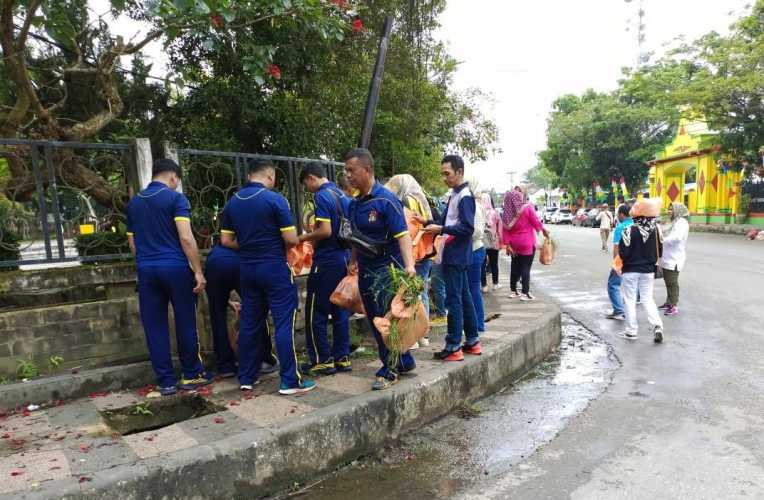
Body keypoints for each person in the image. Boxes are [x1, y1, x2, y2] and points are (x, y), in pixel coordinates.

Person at [220, 159, 316, 395]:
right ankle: (289, 381)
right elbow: (291, 240)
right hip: (274, 268)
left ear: (250, 175)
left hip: (247, 270)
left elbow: (226, 241)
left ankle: (246, 377)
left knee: (251, 323)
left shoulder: (233, 203)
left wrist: (250, 246)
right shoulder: (275, 200)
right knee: (284, 323)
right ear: (270, 177)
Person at [126, 159, 212, 396]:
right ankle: (192, 375)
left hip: (146, 270)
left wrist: (146, 262)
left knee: (155, 327)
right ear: (173, 177)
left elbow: (132, 243)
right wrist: (197, 270)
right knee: (186, 321)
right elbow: (186, 238)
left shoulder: (134, 204)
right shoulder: (176, 199)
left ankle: (165, 381)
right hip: (175, 269)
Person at [344, 148, 418, 390]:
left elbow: (403, 235)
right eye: (346, 171)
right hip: (365, 270)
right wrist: (353, 260)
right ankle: (404, 360)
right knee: (374, 318)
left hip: (387, 271)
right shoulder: (354, 204)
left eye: (352, 171)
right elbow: (355, 236)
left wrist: (409, 266)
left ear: (367, 170)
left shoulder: (387, 200)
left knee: (386, 321)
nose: (348, 176)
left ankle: (390, 368)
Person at [421, 155, 480, 361]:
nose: (444, 178)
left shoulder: (464, 195)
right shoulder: (456, 194)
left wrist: (441, 228)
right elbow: (445, 220)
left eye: (448, 174)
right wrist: (428, 221)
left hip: (456, 255)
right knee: (463, 297)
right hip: (455, 254)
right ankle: (472, 341)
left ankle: (454, 345)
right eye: (443, 174)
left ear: (460, 171)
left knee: (454, 299)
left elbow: (467, 227)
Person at [298, 162, 353, 376]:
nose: (307, 188)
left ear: (311, 178)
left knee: (316, 311)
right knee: (339, 308)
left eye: (305, 184)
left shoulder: (322, 195)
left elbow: (325, 231)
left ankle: (322, 360)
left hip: (327, 259)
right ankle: (342, 358)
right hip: (344, 257)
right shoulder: (341, 194)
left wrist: (302, 238)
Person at [205, 240, 278, 379]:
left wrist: (226, 301)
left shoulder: (220, 241)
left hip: (214, 263)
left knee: (217, 315)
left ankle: (225, 365)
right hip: (239, 260)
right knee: (257, 310)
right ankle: (264, 359)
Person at [385, 174, 436, 346]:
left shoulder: (406, 200)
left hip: (413, 253)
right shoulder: (421, 199)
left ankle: (412, 335)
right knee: (421, 293)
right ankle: (424, 335)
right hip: (425, 251)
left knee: (409, 294)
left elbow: (405, 229)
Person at [617, 199, 664, 343]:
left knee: (630, 300)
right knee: (647, 299)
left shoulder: (628, 230)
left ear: (636, 216)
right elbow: (660, 251)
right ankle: (657, 326)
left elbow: (623, 253)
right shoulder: (656, 231)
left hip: (630, 270)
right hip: (648, 271)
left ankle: (631, 331)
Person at [501, 190, 550, 301]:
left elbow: (505, 231)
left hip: (514, 244)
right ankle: (525, 293)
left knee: (514, 267)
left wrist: (507, 244)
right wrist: (543, 230)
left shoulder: (506, 214)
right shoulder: (527, 208)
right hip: (527, 242)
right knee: (525, 268)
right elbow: (536, 221)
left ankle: (513, 291)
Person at [659, 202, 689, 316]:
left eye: (671, 209)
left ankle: (674, 306)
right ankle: (669, 303)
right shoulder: (673, 221)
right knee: (668, 281)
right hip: (668, 256)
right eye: (668, 209)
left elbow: (677, 238)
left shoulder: (681, 223)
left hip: (674, 258)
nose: (669, 211)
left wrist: (663, 240)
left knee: (672, 282)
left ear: (678, 210)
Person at [606, 204, 633, 321]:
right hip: (636, 261)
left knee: (613, 284)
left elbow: (617, 247)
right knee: (631, 286)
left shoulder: (620, 227)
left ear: (621, 214)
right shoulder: (636, 225)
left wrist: (616, 264)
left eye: (618, 214)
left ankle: (618, 310)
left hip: (622, 260)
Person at [467, 178, 486, 333]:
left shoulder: (475, 207)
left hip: (474, 250)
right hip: (470, 250)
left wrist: (459, 233)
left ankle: (479, 323)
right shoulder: (469, 204)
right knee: (469, 288)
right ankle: (474, 322)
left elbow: (477, 231)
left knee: (473, 288)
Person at [479, 193, 502, 292]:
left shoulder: (479, 212)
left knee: (482, 265)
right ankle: (495, 284)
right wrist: (500, 240)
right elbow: (500, 228)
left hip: (481, 242)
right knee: (494, 263)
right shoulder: (495, 212)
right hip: (493, 241)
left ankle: (484, 286)